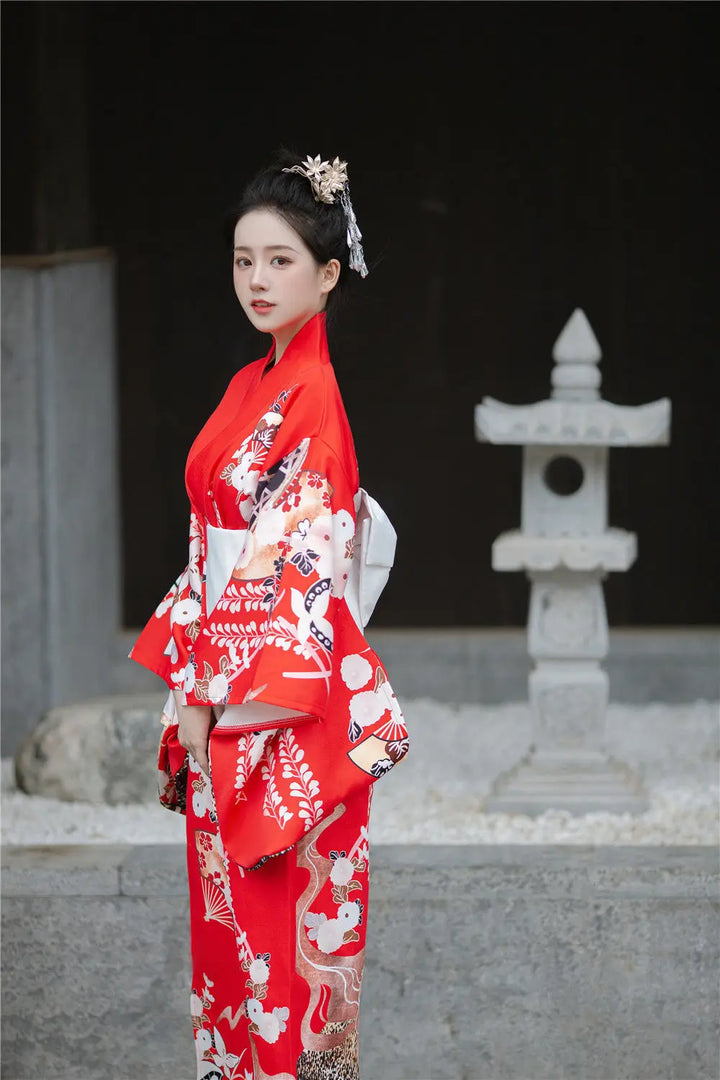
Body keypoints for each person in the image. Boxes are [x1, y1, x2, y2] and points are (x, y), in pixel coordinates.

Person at [130, 151, 409, 1080]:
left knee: (284, 959)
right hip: (225, 690)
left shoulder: (312, 404)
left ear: (329, 275)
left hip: (273, 713)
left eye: (282, 260)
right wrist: (193, 690)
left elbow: (290, 574)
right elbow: (212, 547)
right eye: (245, 259)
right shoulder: (255, 380)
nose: (257, 278)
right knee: (234, 958)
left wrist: (216, 701)